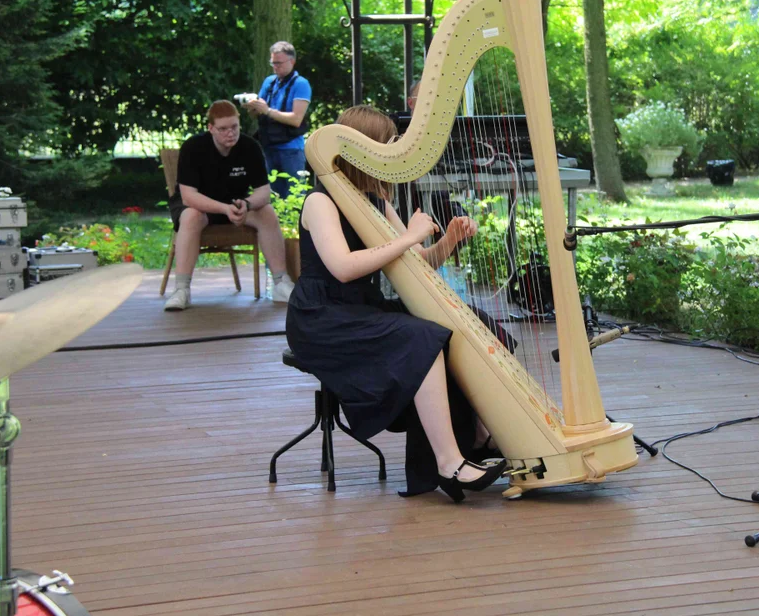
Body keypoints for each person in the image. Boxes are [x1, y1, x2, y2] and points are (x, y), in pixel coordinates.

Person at [285, 105, 507, 502]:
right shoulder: (320, 202)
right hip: (323, 318)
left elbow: (415, 267)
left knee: (475, 324)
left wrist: (448, 241)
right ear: (361, 151)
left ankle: (480, 437)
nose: (391, 156)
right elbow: (343, 268)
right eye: (387, 147)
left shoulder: (373, 201)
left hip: (361, 309)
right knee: (420, 338)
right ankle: (449, 463)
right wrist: (409, 237)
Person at [165, 100, 295, 311]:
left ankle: (281, 283)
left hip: (235, 204)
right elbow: (188, 197)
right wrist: (224, 208)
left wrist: (247, 203)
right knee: (191, 216)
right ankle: (182, 290)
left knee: (267, 212)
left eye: (234, 127)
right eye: (223, 129)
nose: (230, 133)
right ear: (210, 128)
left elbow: (264, 192)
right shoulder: (193, 147)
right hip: (199, 206)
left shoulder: (250, 147)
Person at [246, 41, 312, 198]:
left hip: (291, 150)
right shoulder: (269, 82)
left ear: (292, 61)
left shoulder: (301, 84)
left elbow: (296, 119)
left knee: (295, 196)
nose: (275, 67)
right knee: (271, 197)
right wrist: (252, 107)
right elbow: (257, 114)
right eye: (272, 63)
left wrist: (267, 111)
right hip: (268, 147)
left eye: (279, 63)